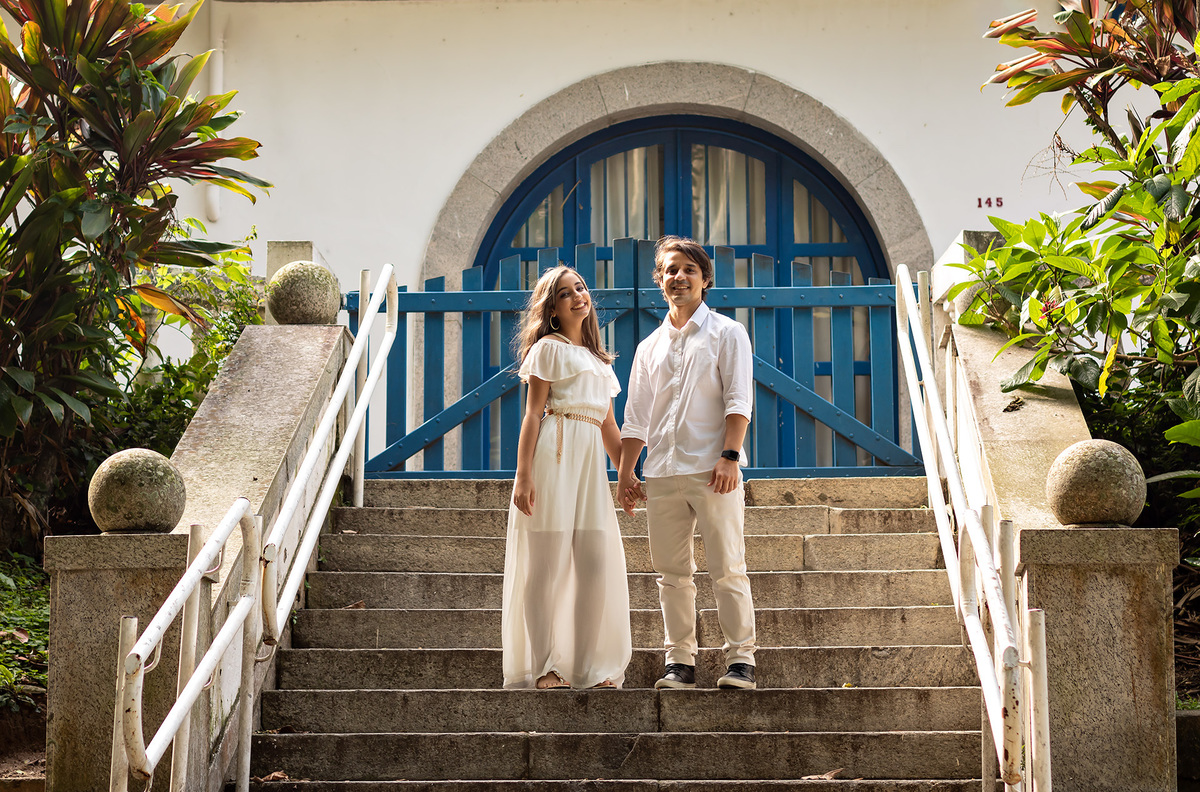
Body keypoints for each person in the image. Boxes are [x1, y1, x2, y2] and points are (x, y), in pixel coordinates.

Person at [617, 235, 758, 690]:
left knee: (727, 567)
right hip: (661, 473)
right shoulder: (648, 346)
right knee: (672, 575)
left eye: (689, 270)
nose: (679, 277)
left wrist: (730, 456)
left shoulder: (727, 333)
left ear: (704, 279)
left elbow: (739, 399)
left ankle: (741, 661)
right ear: (660, 280)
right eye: (670, 270)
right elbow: (636, 416)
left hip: (714, 471)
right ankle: (680, 663)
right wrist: (626, 472)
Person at [501, 265, 632, 690]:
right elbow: (532, 414)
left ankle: (588, 668)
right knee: (546, 565)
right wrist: (523, 475)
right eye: (564, 293)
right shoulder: (548, 349)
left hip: (590, 466)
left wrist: (626, 475)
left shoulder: (600, 361)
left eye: (580, 288)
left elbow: (609, 427)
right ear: (553, 310)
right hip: (553, 456)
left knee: (594, 565)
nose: (578, 296)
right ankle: (544, 665)